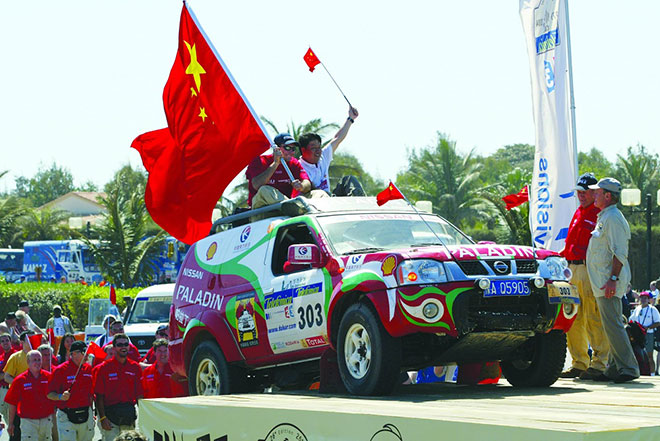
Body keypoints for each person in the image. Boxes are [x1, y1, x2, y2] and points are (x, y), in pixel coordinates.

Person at [586, 177, 639, 383]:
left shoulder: (613, 218)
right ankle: (615, 367)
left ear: (608, 196)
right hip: (605, 281)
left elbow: (620, 253)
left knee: (613, 324)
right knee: (611, 325)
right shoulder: (606, 216)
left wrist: (613, 279)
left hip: (608, 282)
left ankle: (628, 367)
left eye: (597, 192)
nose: (593, 195)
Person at [558, 173, 610, 380]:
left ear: (593, 192)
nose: (580, 195)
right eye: (579, 191)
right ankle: (579, 363)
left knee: (592, 317)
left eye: (585, 191)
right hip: (571, 268)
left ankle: (599, 364)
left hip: (589, 270)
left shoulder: (599, 214)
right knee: (573, 317)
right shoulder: (579, 213)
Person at [298, 106, 366, 197]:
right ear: (303, 150)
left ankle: (360, 203)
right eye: (314, 148)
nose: (318, 151)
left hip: (330, 198)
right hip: (314, 201)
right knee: (320, 193)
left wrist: (350, 119)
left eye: (319, 147)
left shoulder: (323, 157)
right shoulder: (298, 167)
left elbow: (337, 138)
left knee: (350, 179)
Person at [93, 333, 143, 441]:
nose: (123, 347)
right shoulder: (104, 368)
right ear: (114, 347)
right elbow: (99, 396)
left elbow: (139, 395)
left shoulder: (135, 367)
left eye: (126, 344)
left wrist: (143, 415)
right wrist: (102, 418)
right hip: (110, 416)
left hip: (128, 415)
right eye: (120, 345)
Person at [245, 133, 312, 208]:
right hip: (261, 210)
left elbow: (307, 183)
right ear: (276, 149)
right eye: (287, 148)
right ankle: (291, 206)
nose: (292, 152)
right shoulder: (259, 161)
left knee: (318, 193)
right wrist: (275, 163)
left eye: (293, 149)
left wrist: (301, 186)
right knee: (264, 189)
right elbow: (256, 185)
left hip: (285, 209)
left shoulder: (294, 163)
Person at [48, 341, 94, 441]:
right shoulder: (60, 370)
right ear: (73, 354)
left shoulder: (89, 369)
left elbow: (92, 394)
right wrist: (60, 396)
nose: (87, 355)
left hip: (85, 413)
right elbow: (49, 394)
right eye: (83, 352)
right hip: (66, 415)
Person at [4, 350, 55, 441]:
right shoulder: (19, 380)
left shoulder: (49, 377)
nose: (37, 362)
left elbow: (56, 396)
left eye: (39, 360)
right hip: (28, 422)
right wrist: (11, 423)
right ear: (28, 362)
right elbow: (12, 403)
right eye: (34, 360)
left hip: (46, 420)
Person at [629, 291, 660, 375]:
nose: (643, 300)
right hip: (638, 335)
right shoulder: (637, 309)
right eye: (642, 298)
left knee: (649, 355)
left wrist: (648, 327)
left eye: (645, 298)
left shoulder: (653, 309)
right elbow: (631, 320)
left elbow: (658, 322)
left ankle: (652, 374)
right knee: (638, 354)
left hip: (648, 334)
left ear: (648, 299)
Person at [0, 333, 17, 427]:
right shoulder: (1, 357)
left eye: (7, 340)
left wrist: (5, 375)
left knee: (12, 418)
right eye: (2, 341)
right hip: (2, 390)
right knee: (6, 415)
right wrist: (6, 375)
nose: (5, 343)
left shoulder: (15, 355)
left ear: (11, 342)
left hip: (11, 389)